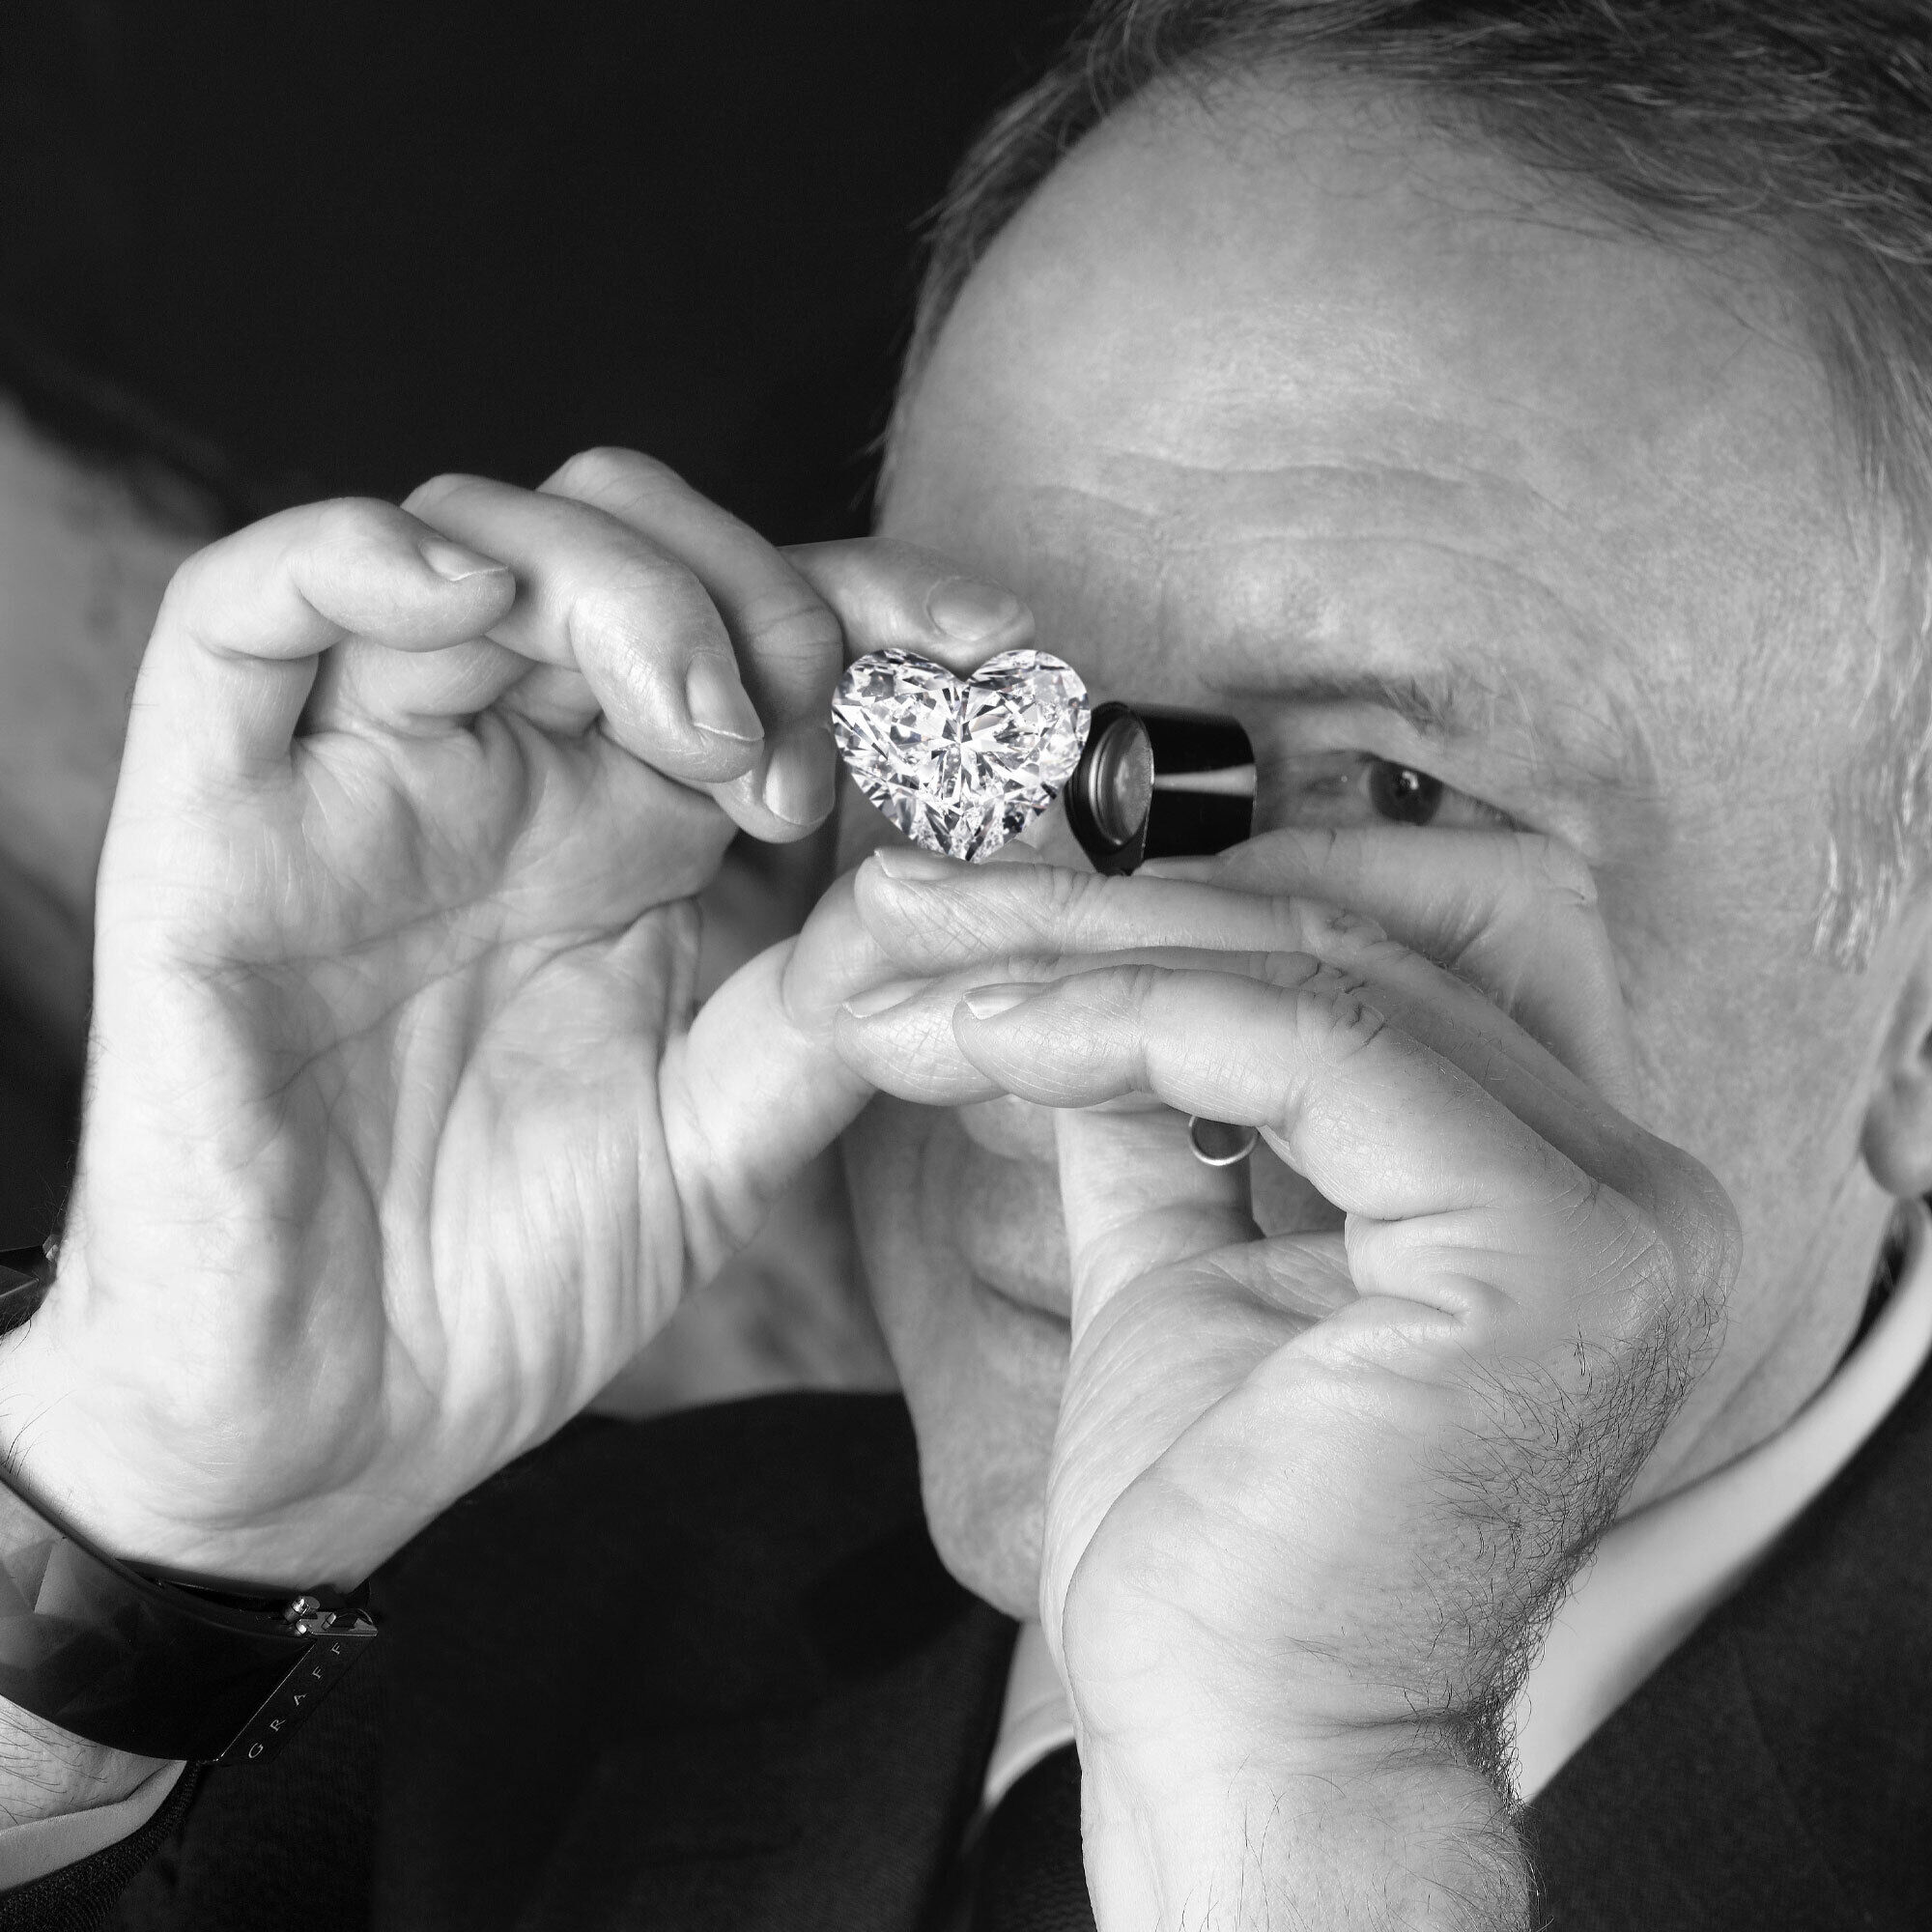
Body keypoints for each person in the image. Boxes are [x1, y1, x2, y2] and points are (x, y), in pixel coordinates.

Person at [1, 1, 1930, 1926]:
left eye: (1393, 795)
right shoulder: (486, 1652)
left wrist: (1314, 1822)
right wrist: (141, 1507)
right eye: (953, 728)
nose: (1025, 1057)